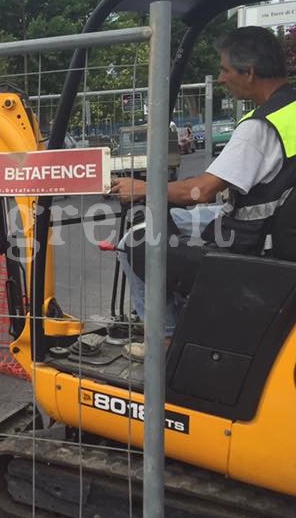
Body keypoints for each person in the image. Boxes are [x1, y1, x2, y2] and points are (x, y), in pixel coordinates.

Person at [111, 27, 295, 351]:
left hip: (246, 241)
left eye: (225, 69)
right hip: (274, 226)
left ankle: (165, 339)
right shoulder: (289, 110)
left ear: (249, 72)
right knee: (178, 219)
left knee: (132, 242)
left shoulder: (259, 127)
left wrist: (141, 188)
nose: (222, 78)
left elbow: (201, 192)